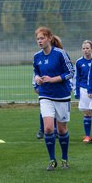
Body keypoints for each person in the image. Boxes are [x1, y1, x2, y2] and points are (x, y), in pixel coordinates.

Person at [33, 26, 74, 171]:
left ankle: (65, 158)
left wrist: (53, 79)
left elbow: (70, 73)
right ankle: (52, 160)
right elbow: (36, 73)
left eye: (42, 38)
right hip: (45, 95)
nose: (40, 41)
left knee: (62, 130)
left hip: (62, 95)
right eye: (38, 39)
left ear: (49, 38)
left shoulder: (60, 54)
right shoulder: (37, 57)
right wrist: (37, 79)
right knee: (49, 128)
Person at [73, 40, 92, 143]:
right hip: (83, 89)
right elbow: (76, 78)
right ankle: (87, 135)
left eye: (87, 48)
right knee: (86, 113)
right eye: (84, 48)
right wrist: (76, 91)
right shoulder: (79, 62)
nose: (86, 50)